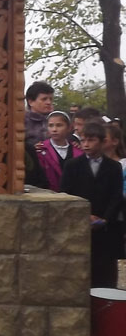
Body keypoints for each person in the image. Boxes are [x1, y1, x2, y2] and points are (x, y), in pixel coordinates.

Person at [61, 121, 124, 288]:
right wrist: (83, 215)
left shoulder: (114, 167)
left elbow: (116, 196)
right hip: (79, 225)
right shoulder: (72, 165)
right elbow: (66, 194)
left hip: (105, 227)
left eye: (91, 140)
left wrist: (105, 219)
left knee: (105, 274)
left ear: (103, 142)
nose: (86, 144)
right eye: (83, 140)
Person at [27, 110, 83, 192]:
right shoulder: (40, 150)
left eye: (59, 125)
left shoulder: (78, 151)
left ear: (69, 128)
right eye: (51, 125)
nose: (54, 129)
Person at [24, 81, 54, 148]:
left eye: (51, 99)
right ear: (31, 102)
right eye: (44, 99)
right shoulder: (21, 122)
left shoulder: (56, 119)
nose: (49, 102)